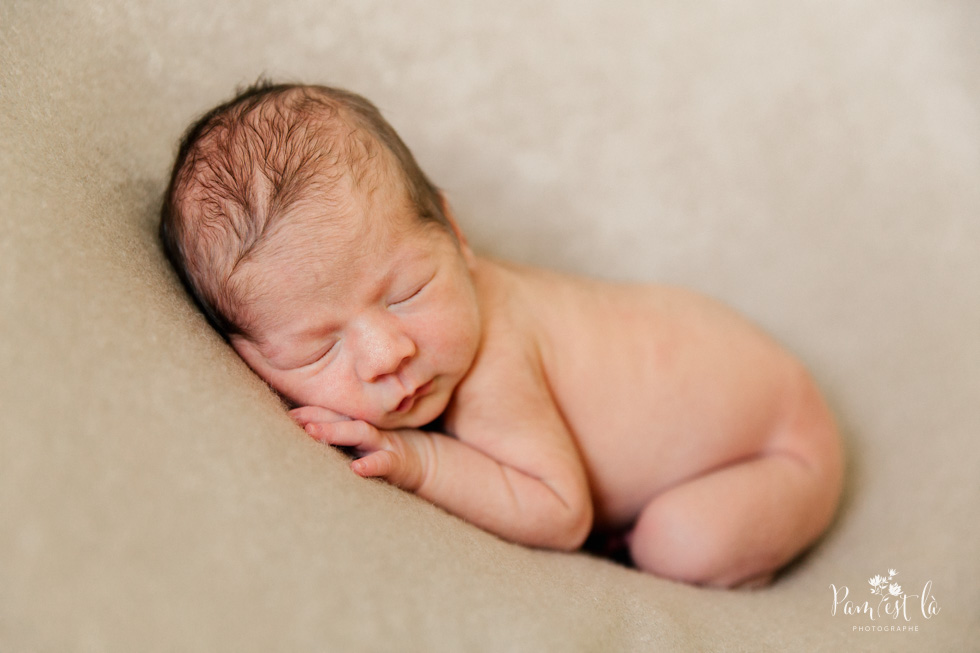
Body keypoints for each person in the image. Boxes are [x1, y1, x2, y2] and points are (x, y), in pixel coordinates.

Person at [160, 82, 843, 588]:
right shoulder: (424, 322)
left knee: (678, 544)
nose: (386, 354)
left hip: (781, 446)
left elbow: (559, 510)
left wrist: (419, 462)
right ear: (247, 357)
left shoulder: (493, 365)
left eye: (409, 293)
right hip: (736, 367)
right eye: (319, 347)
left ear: (457, 237)